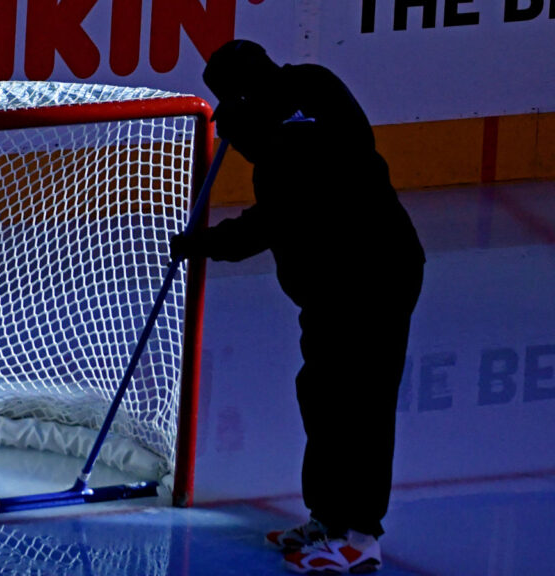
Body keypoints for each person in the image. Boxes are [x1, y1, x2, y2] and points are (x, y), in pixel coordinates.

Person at [172, 40, 425, 574]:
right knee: (323, 396)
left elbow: (280, 213)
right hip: (331, 288)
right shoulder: (308, 88)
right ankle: (328, 519)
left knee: (359, 405)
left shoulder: (300, 120)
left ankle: (359, 536)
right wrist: (258, 133)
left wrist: (204, 242)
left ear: (242, 95)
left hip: (374, 275)